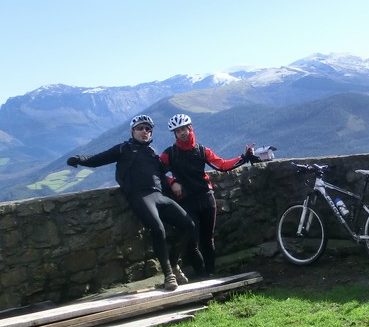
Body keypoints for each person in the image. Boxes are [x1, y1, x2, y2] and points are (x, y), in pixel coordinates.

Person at [66, 113, 205, 291]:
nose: (144, 132)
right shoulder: (123, 149)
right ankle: (169, 275)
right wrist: (79, 159)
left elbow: (162, 174)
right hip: (139, 196)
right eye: (140, 128)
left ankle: (173, 263)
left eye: (148, 129)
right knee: (158, 229)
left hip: (159, 196)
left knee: (189, 225)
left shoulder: (153, 153)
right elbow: (98, 159)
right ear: (132, 131)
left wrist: (174, 181)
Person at [160, 113, 259, 280]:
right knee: (191, 241)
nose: (182, 133)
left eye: (184, 128)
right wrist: (171, 182)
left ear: (190, 128)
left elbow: (221, 165)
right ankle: (201, 277)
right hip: (186, 201)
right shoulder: (170, 154)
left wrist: (244, 157)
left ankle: (211, 274)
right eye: (178, 131)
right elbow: (157, 173)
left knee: (207, 239)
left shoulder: (201, 150)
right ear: (175, 134)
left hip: (207, 198)